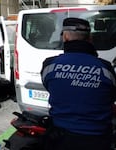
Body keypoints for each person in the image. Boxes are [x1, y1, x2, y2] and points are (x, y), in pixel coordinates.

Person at [41, 17, 116, 150]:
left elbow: (50, 87)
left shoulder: (49, 66)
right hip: (97, 140)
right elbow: (112, 95)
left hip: (60, 138)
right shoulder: (106, 68)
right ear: (90, 39)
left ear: (65, 37)